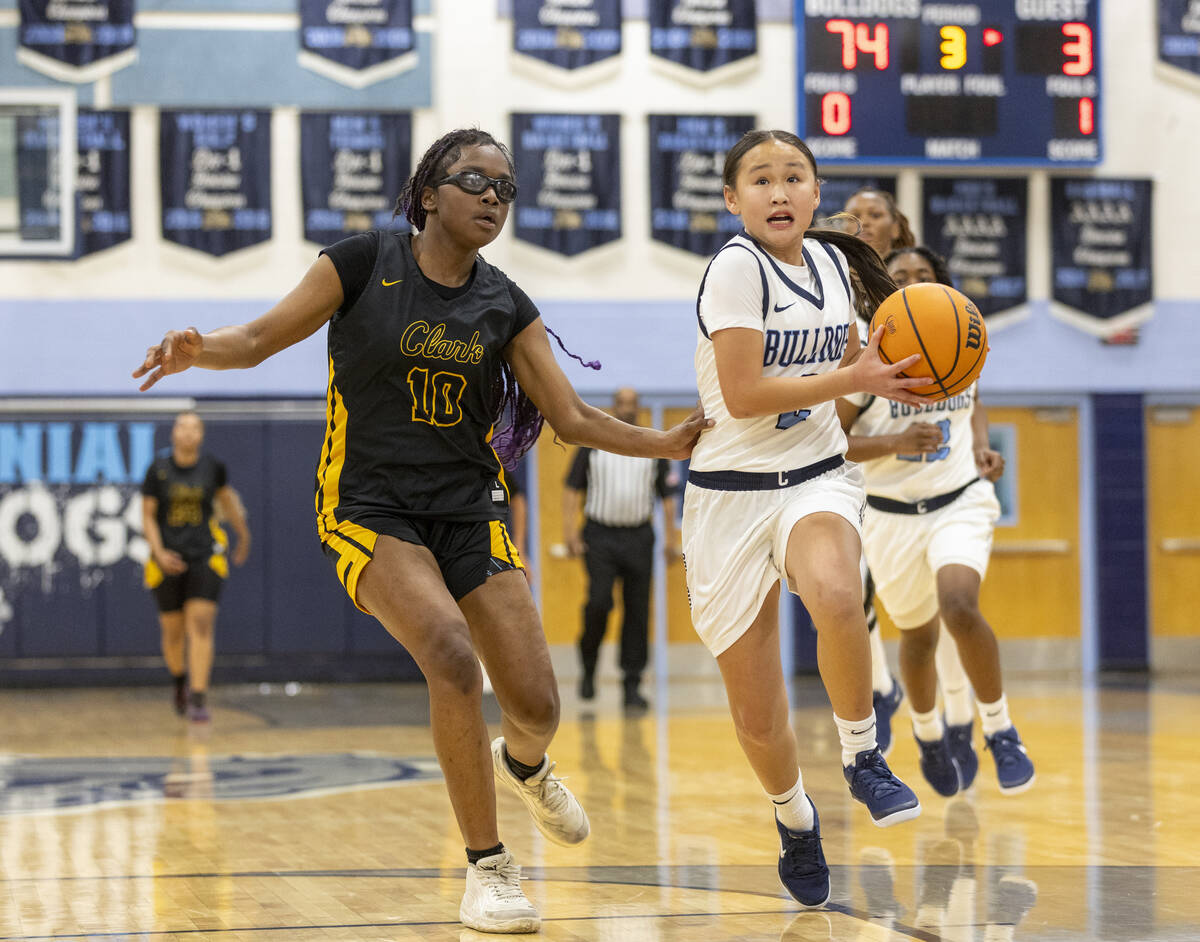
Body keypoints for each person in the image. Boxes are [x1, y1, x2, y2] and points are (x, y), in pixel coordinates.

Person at [132, 128, 708, 935]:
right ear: (430, 192)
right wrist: (202, 350)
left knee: (537, 703)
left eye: (507, 189)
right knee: (447, 651)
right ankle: (489, 870)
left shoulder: (505, 302)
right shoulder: (362, 262)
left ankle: (526, 763)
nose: (493, 199)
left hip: (469, 508)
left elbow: (570, 417)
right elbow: (260, 340)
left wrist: (663, 440)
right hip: (369, 505)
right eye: (477, 181)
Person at [682, 128, 929, 910]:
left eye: (794, 177)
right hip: (729, 494)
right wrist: (850, 375)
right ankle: (793, 816)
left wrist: (895, 377)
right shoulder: (734, 269)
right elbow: (746, 393)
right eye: (760, 180)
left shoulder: (831, 265)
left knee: (835, 588)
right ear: (733, 200)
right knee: (759, 718)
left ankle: (864, 756)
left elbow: (853, 373)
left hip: (817, 478)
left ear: (817, 194)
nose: (779, 191)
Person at [835, 245, 1036, 799]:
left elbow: (972, 401)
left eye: (925, 275)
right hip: (889, 516)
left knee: (959, 604)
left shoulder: (957, 342)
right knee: (918, 638)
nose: (914, 282)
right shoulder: (863, 365)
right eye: (901, 276)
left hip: (958, 499)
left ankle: (1000, 729)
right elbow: (833, 444)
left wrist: (980, 447)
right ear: (883, 288)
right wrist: (896, 442)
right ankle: (927, 734)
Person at [839, 186, 917, 751]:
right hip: (847, 454)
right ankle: (881, 688)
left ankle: (950, 721)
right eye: (855, 215)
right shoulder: (833, 286)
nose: (863, 222)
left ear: (897, 225)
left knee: (924, 600)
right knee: (847, 591)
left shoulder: (919, 291)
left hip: (909, 467)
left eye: (876, 214)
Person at [562, 387, 679, 711]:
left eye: (632, 405)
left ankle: (632, 684)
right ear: (613, 408)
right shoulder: (592, 444)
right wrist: (570, 532)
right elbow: (571, 489)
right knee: (599, 602)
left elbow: (667, 499)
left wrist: (671, 539)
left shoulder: (652, 447)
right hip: (599, 536)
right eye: (621, 405)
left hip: (639, 537)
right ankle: (588, 669)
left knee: (637, 612)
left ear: (638, 408)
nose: (627, 410)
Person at [141, 411, 250, 724]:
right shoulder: (157, 470)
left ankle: (199, 696)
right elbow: (148, 515)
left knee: (200, 624)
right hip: (167, 559)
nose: (188, 433)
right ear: (173, 433)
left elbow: (227, 502)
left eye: (194, 428)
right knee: (173, 633)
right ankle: (179, 680)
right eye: (182, 427)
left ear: (200, 435)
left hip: (204, 554)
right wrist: (159, 552)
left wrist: (243, 534)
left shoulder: (212, 468)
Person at [841, 186, 916, 261]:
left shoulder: (913, 268)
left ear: (895, 227)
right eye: (854, 217)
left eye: (875, 215)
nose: (864, 223)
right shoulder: (832, 270)